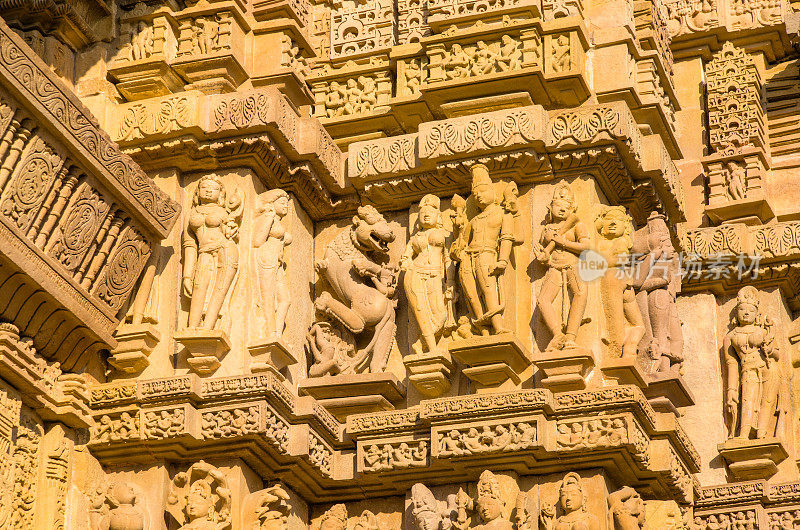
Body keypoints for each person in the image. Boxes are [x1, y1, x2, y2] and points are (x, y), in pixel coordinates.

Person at [253, 189, 292, 341]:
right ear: (271, 204)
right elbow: (257, 241)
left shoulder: (276, 221)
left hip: (277, 262)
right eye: (282, 203)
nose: (286, 206)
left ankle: (276, 332)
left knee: (285, 300)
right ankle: (270, 333)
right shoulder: (269, 218)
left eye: (286, 203)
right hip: (267, 258)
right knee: (268, 297)